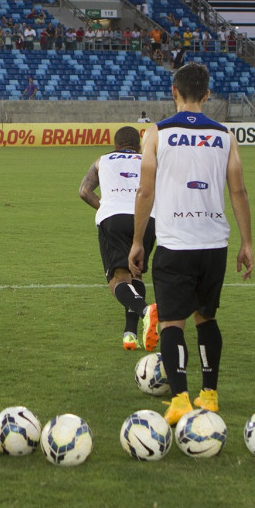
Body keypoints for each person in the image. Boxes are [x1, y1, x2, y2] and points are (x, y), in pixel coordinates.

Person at [128, 63, 253, 425]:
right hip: (215, 242)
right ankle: (209, 395)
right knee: (207, 317)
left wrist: (138, 241)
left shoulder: (156, 133)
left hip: (174, 242)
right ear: (207, 94)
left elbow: (146, 190)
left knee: (171, 323)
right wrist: (247, 243)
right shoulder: (225, 135)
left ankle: (180, 398)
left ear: (174, 91)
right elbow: (239, 191)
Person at [79, 126, 155, 350]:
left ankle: (145, 311)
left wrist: (106, 206)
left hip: (114, 219)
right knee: (136, 274)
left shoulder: (102, 160)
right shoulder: (149, 160)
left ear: (116, 145)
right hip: (147, 219)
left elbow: (84, 191)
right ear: (139, 146)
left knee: (118, 280)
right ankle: (130, 334)